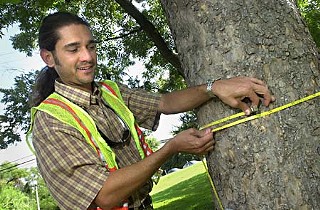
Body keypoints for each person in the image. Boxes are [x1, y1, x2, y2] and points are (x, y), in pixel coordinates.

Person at [28, 12, 275, 210]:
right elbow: (104, 195)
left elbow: (165, 103)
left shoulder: (109, 92)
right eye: (73, 49)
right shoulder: (50, 121)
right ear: (49, 58)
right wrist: (170, 149)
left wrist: (215, 87)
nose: (88, 57)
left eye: (90, 46)